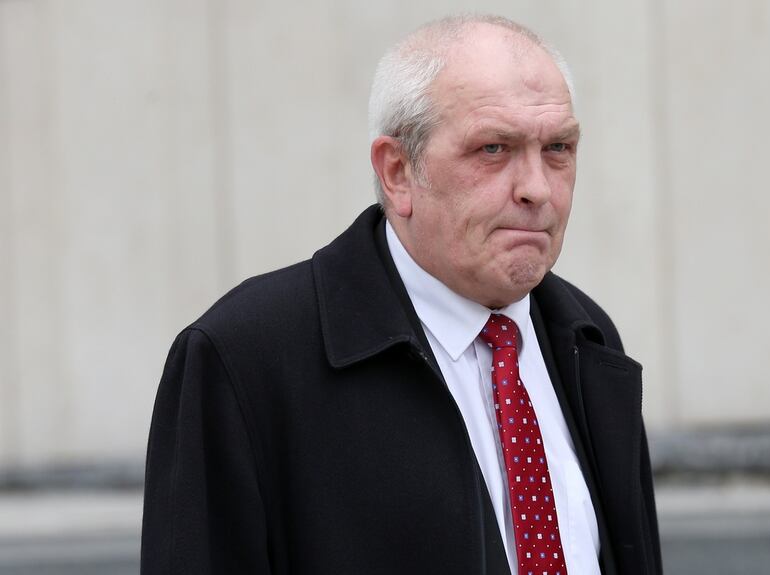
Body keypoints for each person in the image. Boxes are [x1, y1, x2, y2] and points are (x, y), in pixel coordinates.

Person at [142, 14, 661, 575]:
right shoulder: (245, 357)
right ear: (397, 172)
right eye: (493, 149)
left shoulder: (586, 336)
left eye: (558, 147)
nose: (537, 188)